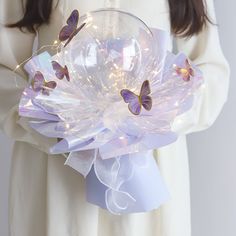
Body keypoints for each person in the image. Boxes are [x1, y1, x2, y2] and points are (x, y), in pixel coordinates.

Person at [0, 0, 229, 235]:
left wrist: (157, 118)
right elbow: (5, 70)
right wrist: (55, 123)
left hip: (149, 169)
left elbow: (210, 71)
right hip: (58, 172)